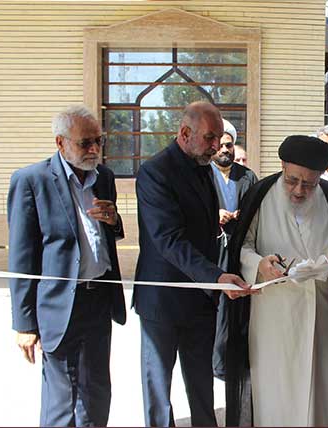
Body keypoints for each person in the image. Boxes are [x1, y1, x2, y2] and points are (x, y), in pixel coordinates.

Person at [225, 135, 328, 426]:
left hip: (320, 312)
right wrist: (260, 264)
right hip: (273, 314)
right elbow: (243, 246)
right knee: (276, 389)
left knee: (321, 389)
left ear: (320, 177)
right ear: (283, 166)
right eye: (292, 180)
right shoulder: (261, 194)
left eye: (308, 184)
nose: (299, 190)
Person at [133, 101, 250, 427]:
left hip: (200, 302)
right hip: (163, 302)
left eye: (219, 138)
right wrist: (216, 276)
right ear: (185, 133)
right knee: (158, 391)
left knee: (202, 388)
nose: (216, 146)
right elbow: (168, 240)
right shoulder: (155, 172)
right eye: (210, 138)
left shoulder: (203, 168)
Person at [7, 105, 126, 426]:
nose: (94, 150)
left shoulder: (104, 177)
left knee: (97, 391)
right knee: (62, 399)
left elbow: (111, 234)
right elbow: (21, 256)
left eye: (98, 141)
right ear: (60, 143)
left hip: (98, 299)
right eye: (85, 143)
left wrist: (114, 220)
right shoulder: (32, 180)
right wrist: (24, 324)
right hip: (59, 304)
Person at [210, 118, 258, 380]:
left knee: (239, 305)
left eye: (229, 145)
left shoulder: (247, 176)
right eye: (220, 145)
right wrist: (214, 214)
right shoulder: (203, 174)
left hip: (240, 250)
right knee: (216, 306)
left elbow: (257, 210)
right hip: (212, 250)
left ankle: (236, 361)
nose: (225, 150)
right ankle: (216, 362)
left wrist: (243, 214)